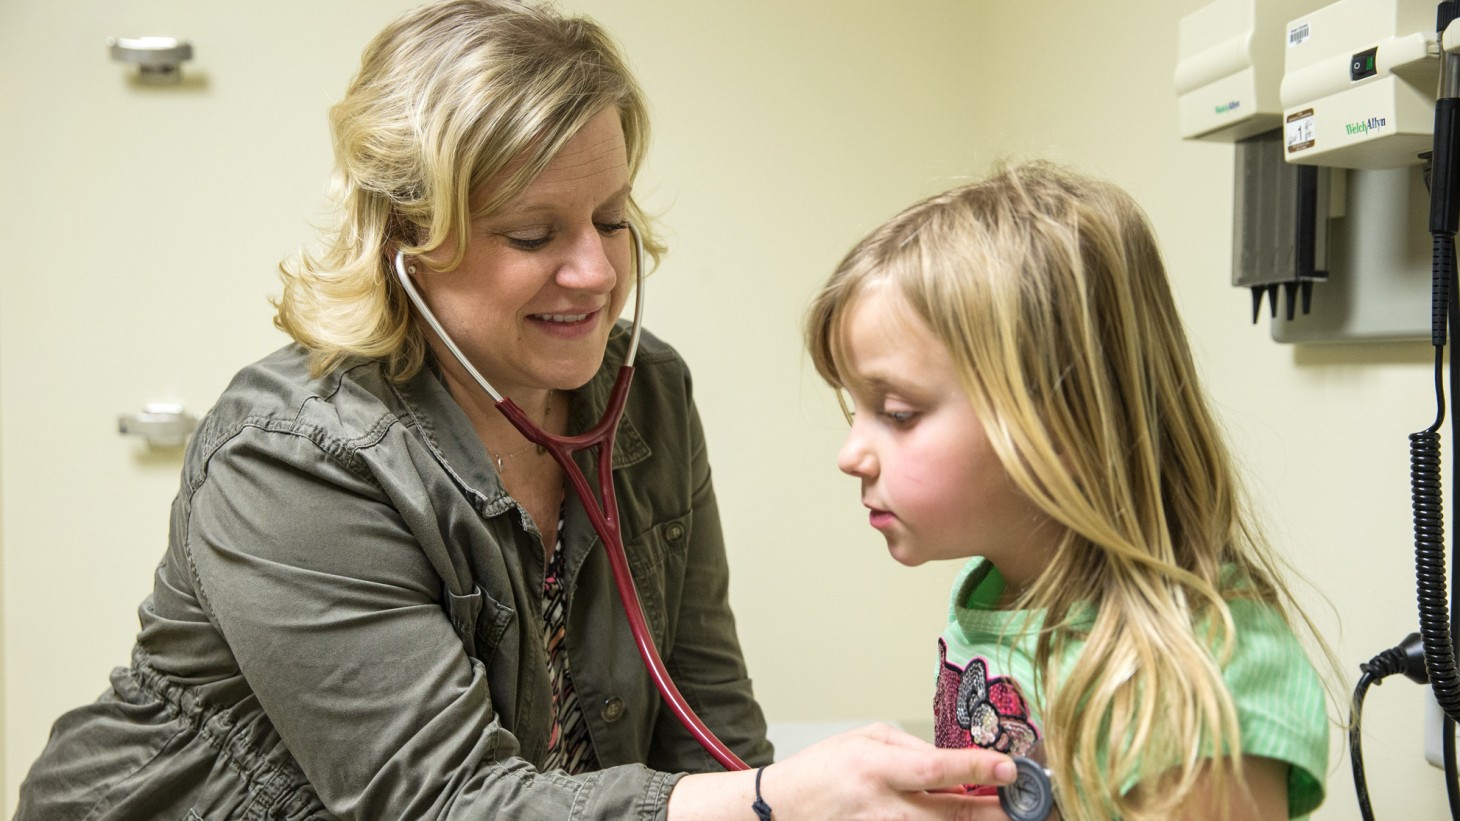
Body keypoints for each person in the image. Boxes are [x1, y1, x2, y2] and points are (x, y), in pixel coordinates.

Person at [14, 1, 1020, 819]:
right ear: (409, 239)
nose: (592, 270)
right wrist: (766, 800)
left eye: (612, 218)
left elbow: (706, 728)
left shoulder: (645, 393)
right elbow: (444, 801)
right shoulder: (292, 458)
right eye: (534, 231)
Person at [804, 163, 1332, 821]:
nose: (850, 454)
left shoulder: (1202, 678)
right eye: (853, 409)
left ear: (1058, 422)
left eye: (897, 411)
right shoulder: (995, 587)